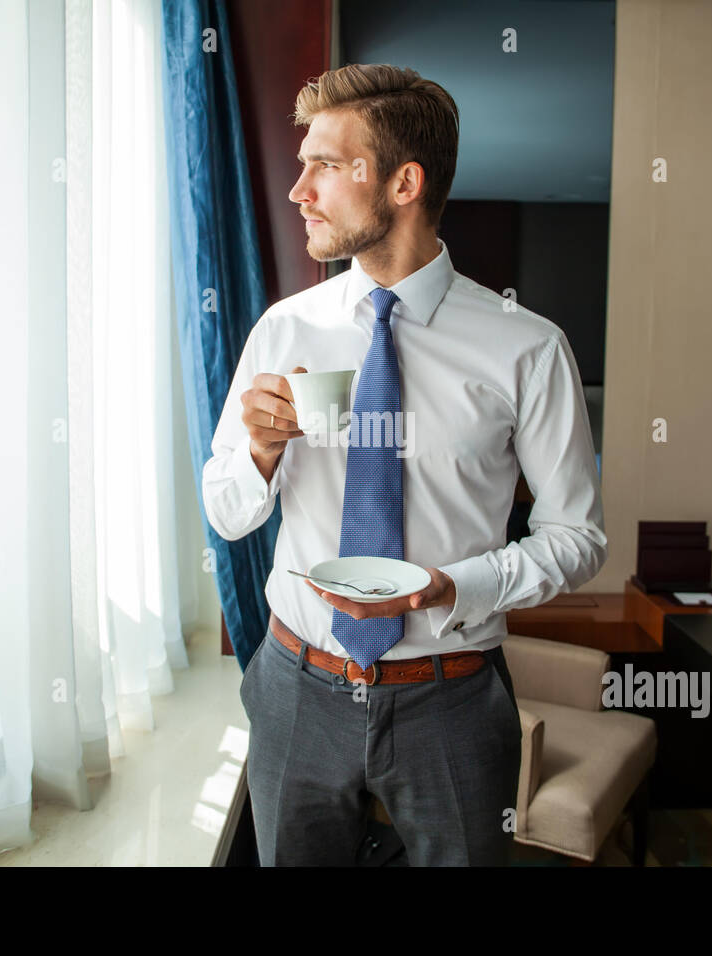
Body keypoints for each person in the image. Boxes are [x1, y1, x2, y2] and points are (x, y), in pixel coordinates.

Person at [202, 63, 607, 866]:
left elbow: (578, 537)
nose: (299, 190)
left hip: (450, 697)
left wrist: (465, 587)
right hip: (296, 685)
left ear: (402, 183)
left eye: (326, 164)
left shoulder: (527, 347)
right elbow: (226, 512)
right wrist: (258, 452)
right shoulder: (285, 331)